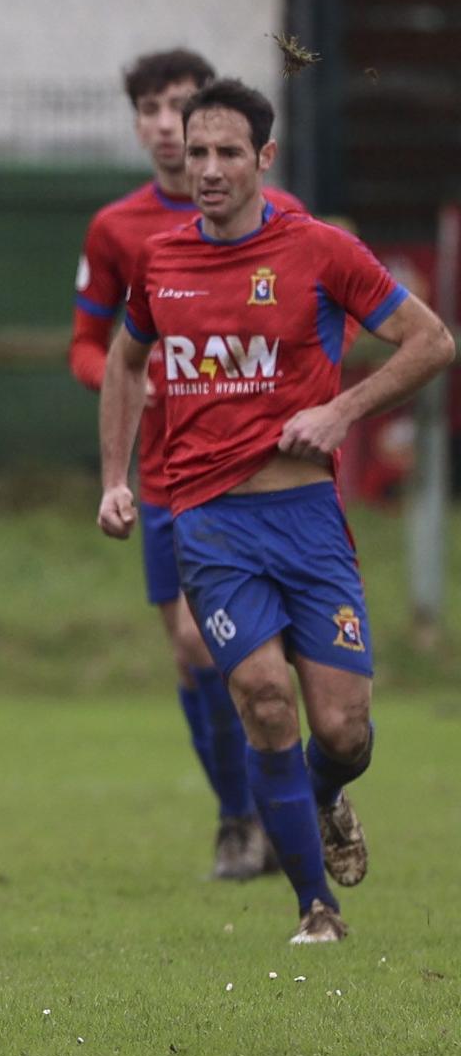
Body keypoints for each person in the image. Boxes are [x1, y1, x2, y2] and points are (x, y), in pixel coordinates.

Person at [97, 79, 455, 943]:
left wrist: (341, 411)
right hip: (208, 522)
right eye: (197, 152)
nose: (209, 169)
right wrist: (117, 476)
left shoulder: (322, 251)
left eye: (229, 153)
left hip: (307, 521)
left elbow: (433, 340)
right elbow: (123, 365)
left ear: (264, 159)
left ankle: (326, 790)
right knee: (261, 695)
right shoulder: (161, 261)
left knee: (344, 727)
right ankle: (315, 908)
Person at [71, 49, 305, 882]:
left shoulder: (284, 225)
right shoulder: (117, 231)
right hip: (169, 472)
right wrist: (146, 386)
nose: (169, 125)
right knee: (192, 650)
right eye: (153, 109)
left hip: (258, 473)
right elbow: (89, 348)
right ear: (138, 124)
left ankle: (280, 802)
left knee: (262, 654)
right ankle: (241, 816)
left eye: (182, 108)